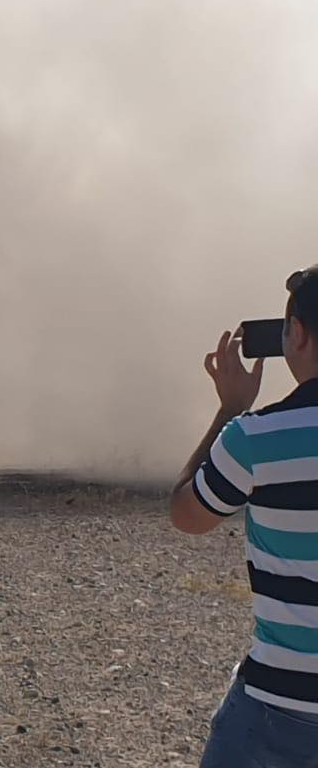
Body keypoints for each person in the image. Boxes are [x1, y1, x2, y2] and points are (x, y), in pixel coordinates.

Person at [171, 265, 318, 766]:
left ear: (296, 334)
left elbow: (188, 514)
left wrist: (229, 410)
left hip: (280, 708)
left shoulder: (256, 438)